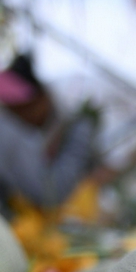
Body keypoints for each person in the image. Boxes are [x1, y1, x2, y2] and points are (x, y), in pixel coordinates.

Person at [0, 54, 97, 216]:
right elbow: (49, 194)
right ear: (41, 98)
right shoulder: (10, 133)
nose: (15, 112)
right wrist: (80, 138)